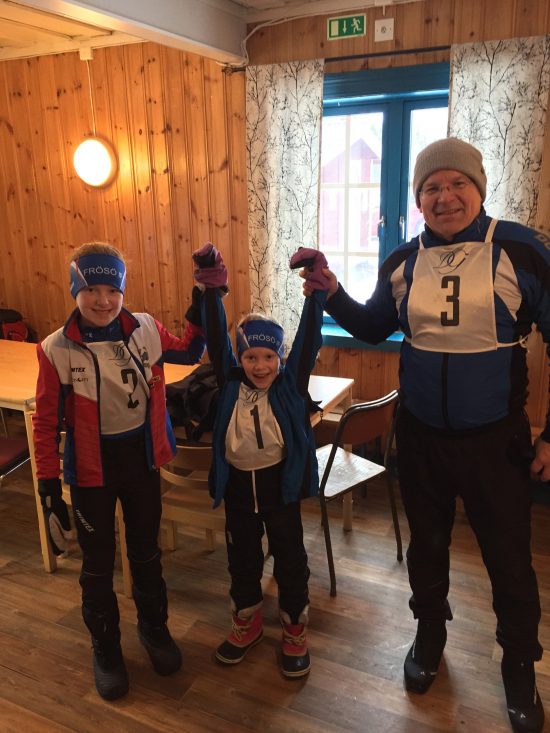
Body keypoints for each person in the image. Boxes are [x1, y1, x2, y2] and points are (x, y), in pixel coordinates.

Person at [302, 138, 550, 733]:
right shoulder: (402, 261)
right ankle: (429, 633)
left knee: (509, 560)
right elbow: (371, 326)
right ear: (419, 201)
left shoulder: (523, 249)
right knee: (427, 547)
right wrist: (331, 291)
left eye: (457, 183)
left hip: (496, 441)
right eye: (431, 188)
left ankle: (519, 663)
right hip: (420, 438)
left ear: (479, 189)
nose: (445, 196)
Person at [32, 242, 206, 701]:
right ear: (75, 290)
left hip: (140, 460)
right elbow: (45, 422)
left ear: (123, 291)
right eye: (91, 289)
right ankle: (106, 647)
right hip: (91, 468)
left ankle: (154, 628)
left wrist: (204, 296)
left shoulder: (144, 328)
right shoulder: (55, 348)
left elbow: (191, 351)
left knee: (146, 553)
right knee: (97, 564)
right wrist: (48, 485)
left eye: (113, 290)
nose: (103, 300)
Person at [192, 242, 328, 678]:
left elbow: (308, 340)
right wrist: (212, 288)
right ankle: (246, 622)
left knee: (290, 559)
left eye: (269, 356)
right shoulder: (231, 382)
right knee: (242, 559)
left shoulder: (289, 385)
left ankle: (294, 627)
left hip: (279, 488)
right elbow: (216, 337)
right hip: (237, 488)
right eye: (251, 356)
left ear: (280, 358)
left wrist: (316, 293)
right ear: (240, 358)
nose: (260, 365)